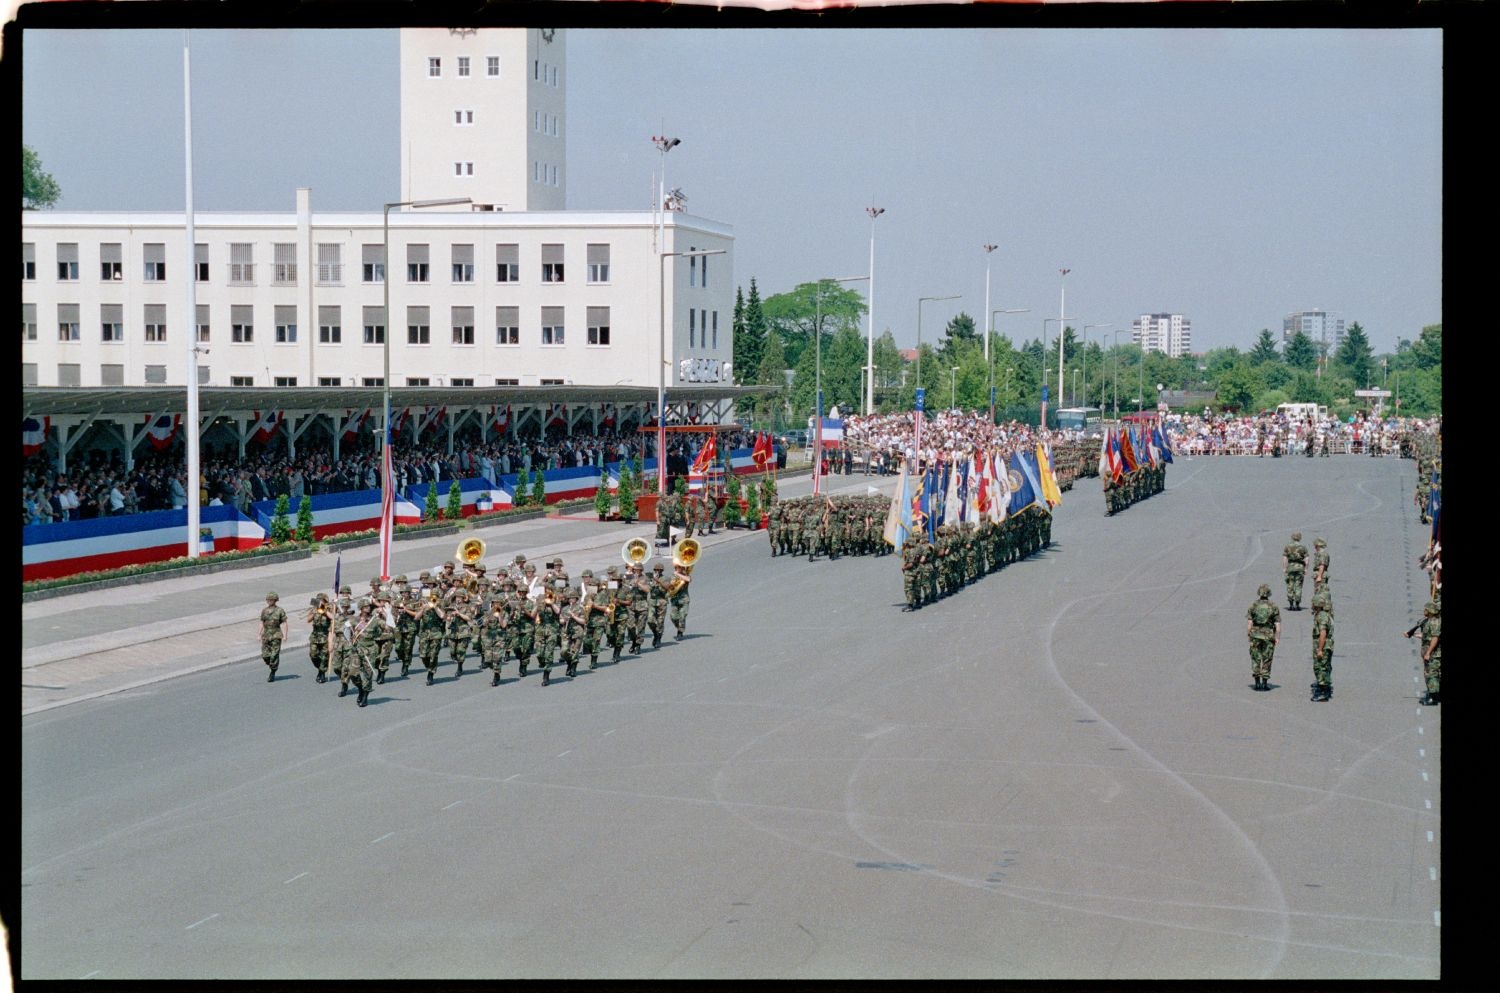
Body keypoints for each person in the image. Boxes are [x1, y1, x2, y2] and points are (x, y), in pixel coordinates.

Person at [1408, 599, 1441, 705]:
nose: (1424, 610)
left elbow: (1435, 638)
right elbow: (1428, 636)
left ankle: (1433, 698)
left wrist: (1428, 653)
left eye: (1426, 609)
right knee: (1432, 674)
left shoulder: (1434, 622)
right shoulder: (1429, 621)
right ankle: (1435, 695)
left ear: (1431, 611)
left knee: (1431, 675)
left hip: (1434, 654)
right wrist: (1415, 634)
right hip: (1431, 653)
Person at [1310, 589, 1334, 701]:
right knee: (1325, 666)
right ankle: (1325, 689)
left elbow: (1323, 633)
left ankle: (1322, 692)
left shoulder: (1322, 616)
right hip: (1326, 645)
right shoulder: (1322, 614)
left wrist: (1319, 649)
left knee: (1320, 667)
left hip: (1323, 646)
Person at [259, 592, 288, 682]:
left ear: (275, 600)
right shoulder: (264, 611)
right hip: (266, 635)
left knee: (274, 655)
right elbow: (261, 622)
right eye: (268, 600)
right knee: (265, 655)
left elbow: (284, 623)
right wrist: (259, 634)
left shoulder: (280, 611)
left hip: (276, 635)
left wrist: (285, 635)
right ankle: (272, 664)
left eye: (271, 600)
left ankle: (273, 672)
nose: (269, 601)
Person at [306, 593, 333, 683]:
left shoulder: (329, 609)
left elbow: (333, 618)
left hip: (325, 635)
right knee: (313, 655)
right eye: (318, 600)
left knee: (325, 656)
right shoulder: (314, 609)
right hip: (315, 635)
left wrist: (324, 611)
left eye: (321, 600)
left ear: (325, 601)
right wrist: (313, 613)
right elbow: (308, 620)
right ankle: (320, 669)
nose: (320, 602)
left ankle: (322, 673)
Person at [1282, 531, 1308, 610]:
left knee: (1290, 585)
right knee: (1298, 585)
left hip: (1290, 567)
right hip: (1300, 567)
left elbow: (1285, 558)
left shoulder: (1288, 546)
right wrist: (1306, 568)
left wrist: (1285, 567)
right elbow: (1306, 558)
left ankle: (1291, 604)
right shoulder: (1303, 547)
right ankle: (1297, 604)